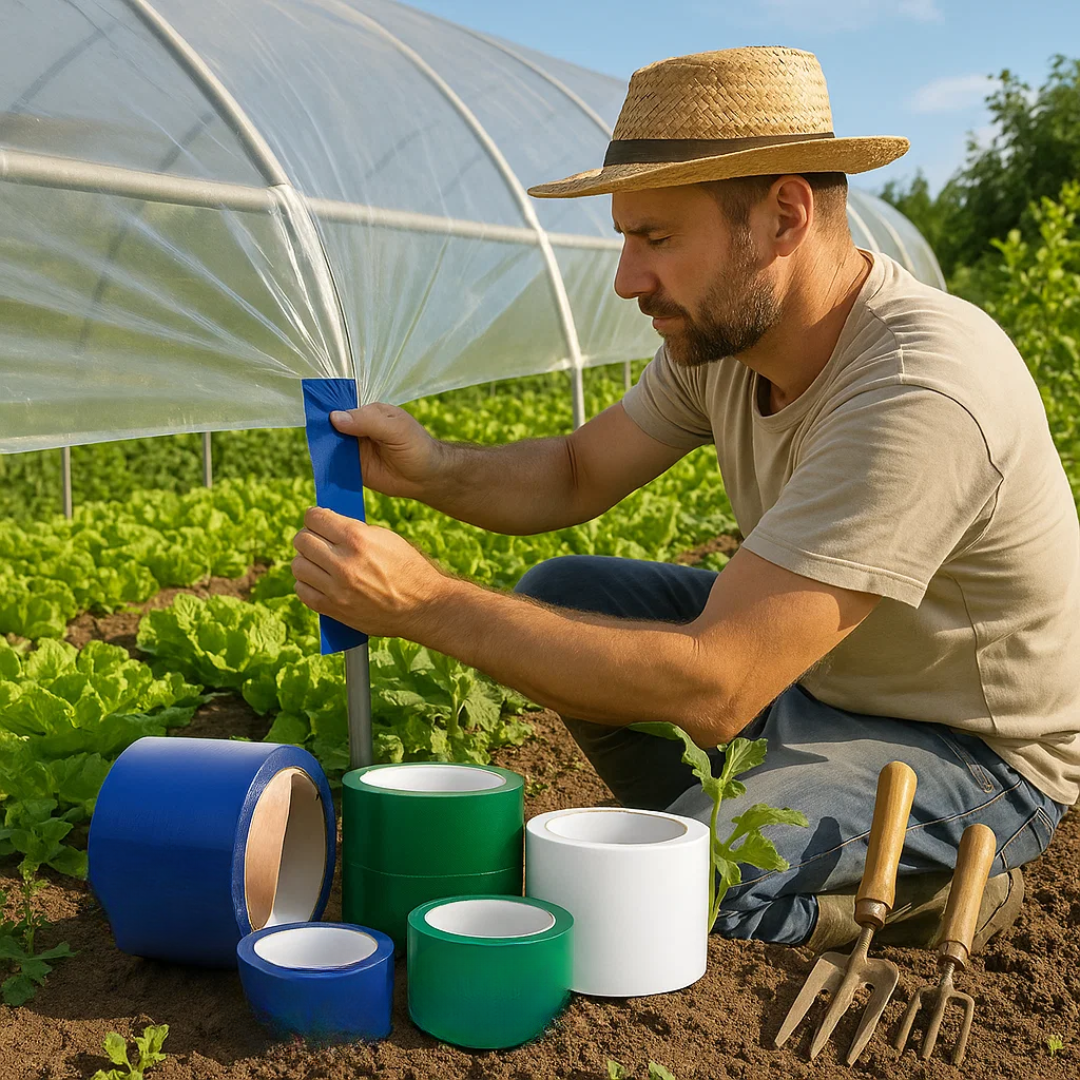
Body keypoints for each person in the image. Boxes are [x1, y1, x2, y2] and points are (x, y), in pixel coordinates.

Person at [291, 46, 1079, 952]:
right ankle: (709, 815)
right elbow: (577, 471)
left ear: (784, 215)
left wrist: (424, 604)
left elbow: (718, 683)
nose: (629, 278)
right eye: (627, 238)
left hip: (966, 750)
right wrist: (435, 469)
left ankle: (943, 890)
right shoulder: (727, 347)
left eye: (656, 239)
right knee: (566, 595)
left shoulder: (919, 389)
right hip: (813, 681)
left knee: (691, 889)